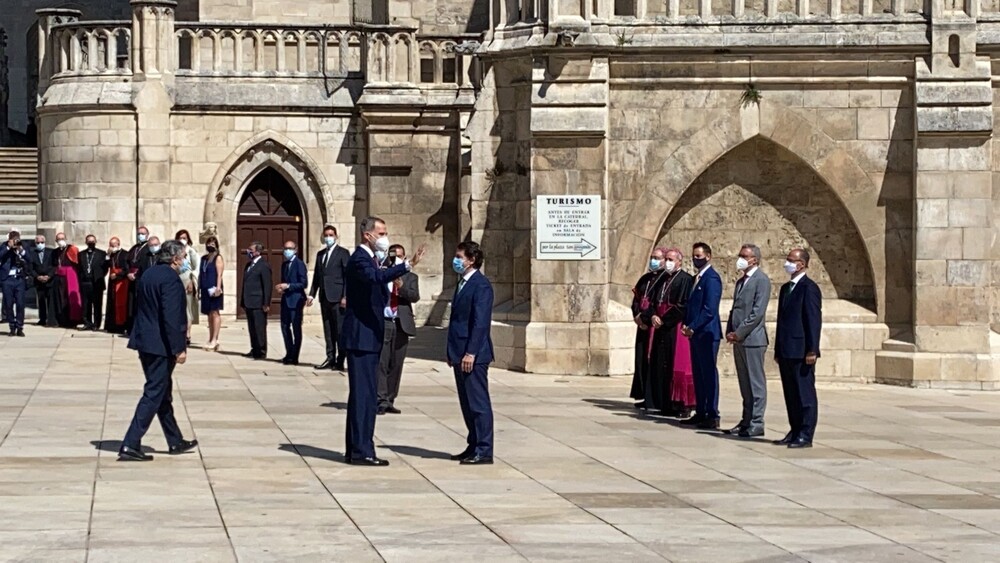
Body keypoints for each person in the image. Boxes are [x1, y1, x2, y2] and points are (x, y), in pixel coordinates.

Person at [341, 217, 425, 466]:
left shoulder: (371, 259)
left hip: (368, 337)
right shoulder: (360, 259)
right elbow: (376, 279)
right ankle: (362, 451)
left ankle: (356, 447)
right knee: (364, 396)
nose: (385, 237)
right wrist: (407, 265)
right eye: (382, 233)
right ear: (368, 235)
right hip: (362, 338)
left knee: (363, 396)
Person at [117, 240, 198, 462]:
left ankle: (174, 440)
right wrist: (179, 348)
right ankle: (131, 443)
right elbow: (171, 318)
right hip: (160, 345)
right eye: (182, 258)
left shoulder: (149, 274)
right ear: (174, 259)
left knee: (163, 392)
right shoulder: (171, 280)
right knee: (154, 392)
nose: (184, 261)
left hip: (145, 341)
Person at [447, 241, 495, 465]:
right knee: (466, 404)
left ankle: (484, 449)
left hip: (472, 354)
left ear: (471, 259)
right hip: (459, 352)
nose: (456, 260)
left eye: (459, 256)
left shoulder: (481, 285)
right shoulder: (462, 283)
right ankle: (473, 443)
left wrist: (471, 352)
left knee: (478, 403)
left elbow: (480, 322)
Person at [774, 248, 822, 449]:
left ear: (801, 264)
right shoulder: (786, 288)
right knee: (791, 393)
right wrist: (778, 348)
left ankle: (805, 433)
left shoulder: (808, 288)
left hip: (801, 349)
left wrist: (812, 349)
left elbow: (812, 319)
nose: (788, 264)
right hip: (786, 348)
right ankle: (794, 429)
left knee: (804, 393)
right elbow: (781, 320)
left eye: (791, 260)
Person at [724, 244, 772, 438]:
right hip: (738, 339)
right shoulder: (741, 281)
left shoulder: (761, 281)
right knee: (745, 383)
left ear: (754, 260)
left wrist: (740, 332)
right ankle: (746, 420)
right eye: (740, 255)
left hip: (753, 339)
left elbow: (757, 312)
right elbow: (735, 308)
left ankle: (757, 422)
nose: (740, 259)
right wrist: (730, 330)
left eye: (744, 256)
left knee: (756, 383)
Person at [646, 247, 695, 417]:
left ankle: (680, 405)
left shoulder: (685, 279)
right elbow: (652, 300)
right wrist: (652, 315)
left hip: (673, 326)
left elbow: (682, 305)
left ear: (679, 261)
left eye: (671, 259)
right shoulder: (662, 279)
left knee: (676, 365)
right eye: (666, 259)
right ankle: (664, 402)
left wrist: (663, 320)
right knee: (662, 364)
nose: (667, 262)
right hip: (659, 325)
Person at [681, 242, 723, 430]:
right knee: (698, 374)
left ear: (708, 256)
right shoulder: (696, 278)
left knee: (708, 373)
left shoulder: (711, 279)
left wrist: (693, 326)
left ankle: (712, 413)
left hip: (707, 333)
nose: (695, 259)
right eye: (694, 256)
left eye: (699, 256)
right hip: (696, 334)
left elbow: (709, 310)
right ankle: (701, 410)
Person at [376, 244, 420, 415]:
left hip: (401, 323)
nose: (397, 259)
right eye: (394, 256)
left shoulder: (411, 277)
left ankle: (390, 399)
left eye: (400, 256)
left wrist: (401, 287)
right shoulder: (382, 275)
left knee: (396, 363)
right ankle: (381, 399)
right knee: (382, 362)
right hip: (385, 321)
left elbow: (414, 297)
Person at [629, 248, 669, 409]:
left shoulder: (665, 279)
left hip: (653, 325)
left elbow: (655, 303)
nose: (653, 260)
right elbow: (637, 300)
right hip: (642, 324)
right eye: (652, 257)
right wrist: (637, 316)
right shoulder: (645, 279)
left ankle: (654, 397)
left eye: (657, 258)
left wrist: (646, 317)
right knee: (641, 360)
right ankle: (645, 394)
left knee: (652, 359)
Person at [307, 225, 350, 371]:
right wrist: (312, 294)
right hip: (325, 297)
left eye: (331, 235)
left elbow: (347, 276)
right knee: (328, 329)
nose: (328, 238)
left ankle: (341, 359)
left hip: (338, 297)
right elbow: (317, 277)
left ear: (336, 236)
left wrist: (345, 296)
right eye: (326, 235)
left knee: (339, 330)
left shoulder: (343, 253)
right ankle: (330, 357)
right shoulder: (320, 254)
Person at [277, 240, 308, 365]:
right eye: (285, 248)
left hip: (296, 300)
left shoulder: (299, 264)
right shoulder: (284, 265)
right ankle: (289, 352)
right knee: (285, 327)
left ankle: (295, 355)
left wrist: (288, 286)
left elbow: (303, 283)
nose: (287, 251)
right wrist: (282, 289)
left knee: (296, 328)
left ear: (295, 250)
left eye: (290, 248)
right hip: (286, 300)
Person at [241, 241, 272, 360]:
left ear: (258, 252)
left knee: (259, 327)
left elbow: (267, 285)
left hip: (258, 302)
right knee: (252, 327)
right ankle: (254, 349)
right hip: (249, 301)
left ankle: (261, 351)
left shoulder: (263, 265)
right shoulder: (248, 265)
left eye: (251, 250)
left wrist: (266, 303)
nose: (248, 252)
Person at [51, 232, 83, 328]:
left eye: (62, 238)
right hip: (60, 277)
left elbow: (77, 262)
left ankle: (72, 321)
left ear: (66, 239)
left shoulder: (72, 249)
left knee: (70, 298)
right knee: (61, 298)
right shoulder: (55, 251)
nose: (60, 241)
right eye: (58, 239)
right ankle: (62, 320)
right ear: (56, 241)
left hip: (70, 276)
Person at [77, 234, 108, 331]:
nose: (91, 243)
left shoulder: (101, 253)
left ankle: (96, 324)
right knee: (86, 304)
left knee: (97, 304)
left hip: (96, 283)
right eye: (89, 241)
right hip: (85, 282)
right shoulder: (81, 254)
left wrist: (99, 275)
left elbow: (105, 268)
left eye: (92, 241)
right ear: (86, 242)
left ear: (95, 242)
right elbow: (79, 268)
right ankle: (87, 323)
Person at [199, 235, 224, 351]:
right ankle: (210, 337)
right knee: (209, 313)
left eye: (213, 244)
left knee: (215, 312)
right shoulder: (203, 258)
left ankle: (215, 339)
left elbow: (219, 274)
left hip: (214, 287)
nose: (210, 246)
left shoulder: (218, 258)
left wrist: (218, 288)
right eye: (208, 244)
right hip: (205, 287)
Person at [1, 232, 28, 337]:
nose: (16, 242)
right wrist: (8, 247)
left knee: (20, 304)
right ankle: (12, 327)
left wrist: (21, 250)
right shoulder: (4, 246)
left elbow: (29, 259)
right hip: (7, 279)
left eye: (17, 239)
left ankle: (20, 327)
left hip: (19, 279)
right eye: (14, 240)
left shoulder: (23, 246)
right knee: (8, 304)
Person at [176, 230, 200, 345]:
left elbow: (196, 267)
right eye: (180, 237)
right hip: (176, 280)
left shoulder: (191, 252)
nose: (182, 239)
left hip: (187, 279)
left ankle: (187, 334)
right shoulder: (174, 251)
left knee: (187, 309)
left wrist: (192, 281)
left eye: (184, 237)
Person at [124, 226, 151, 334]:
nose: (140, 235)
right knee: (131, 304)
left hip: (141, 278)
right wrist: (128, 273)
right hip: (131, 278)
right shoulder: (134, 247)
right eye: (139, 233)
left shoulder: (148, 248)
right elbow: (126, 261)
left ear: (147, 235)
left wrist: (137, 274)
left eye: (143, 233)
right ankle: (131, 327)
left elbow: (146, 264)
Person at [27, 235, 54, 327]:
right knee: (41, 300)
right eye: (38, 242)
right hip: (38, 280)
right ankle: (42, 319)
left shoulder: (51, 252)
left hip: (49, 279)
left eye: (42, 242)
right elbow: (30, 268)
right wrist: (37, 276)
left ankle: (51, 320)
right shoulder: (32, 253)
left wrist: (49, 276)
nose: (40, 244)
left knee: (50, 301)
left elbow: (54, 266)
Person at [105, 238, 130, 334]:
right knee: (112, 303)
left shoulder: (125, 254)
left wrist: (117, 275)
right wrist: (107, 255)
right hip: (112, 281)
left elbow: (126, 269)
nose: (112, 247)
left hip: (121, 281)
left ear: (118, 244)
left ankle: (121, 326)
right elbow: (105, 265)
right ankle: (112, 326)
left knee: (120, 304)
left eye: (114, 244)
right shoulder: (111, 255)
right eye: (111, 245)